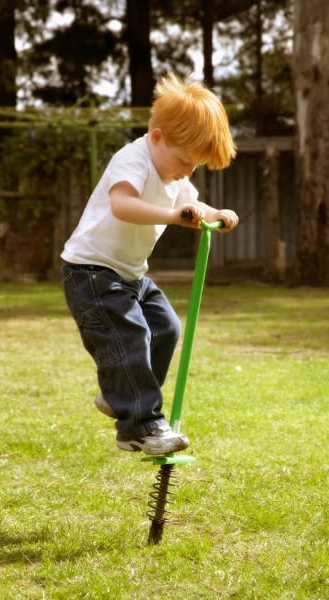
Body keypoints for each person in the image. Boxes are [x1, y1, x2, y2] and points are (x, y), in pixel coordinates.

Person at [61, 73, 239, 456]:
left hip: (130, 274)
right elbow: (122, 205)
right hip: (91, 273)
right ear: (157, 137)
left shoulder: (174, 173)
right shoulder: (133, 159)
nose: (187, 172)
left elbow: (194, 204)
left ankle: (120, 397)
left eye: (196, 167)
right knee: (130, 336)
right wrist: (175, 216)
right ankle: (138, 426)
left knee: (166, 328)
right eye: (184, 161)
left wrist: (216, 214)